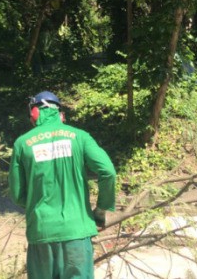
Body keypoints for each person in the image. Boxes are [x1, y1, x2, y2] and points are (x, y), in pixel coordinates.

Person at [10, 91, 117, 279]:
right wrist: (101, 210)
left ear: (34, 113)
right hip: (77, 233)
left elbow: (18, 194)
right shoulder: (80, 137)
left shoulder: (22, 144)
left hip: (42, 233)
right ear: (61, 115)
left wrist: (38, 207)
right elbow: (108, 172)